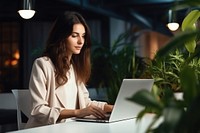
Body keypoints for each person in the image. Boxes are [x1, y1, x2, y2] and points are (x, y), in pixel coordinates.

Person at [26, 11, 113, 128]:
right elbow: (37, 110)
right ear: (61, 36)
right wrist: (77, 112)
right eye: (74, 35)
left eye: (83, 36)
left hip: (70, 128)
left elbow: (85, 103)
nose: (81, 41)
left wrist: (111, 108)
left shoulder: (74, 68)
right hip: (46, 129)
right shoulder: (42, 64)